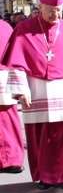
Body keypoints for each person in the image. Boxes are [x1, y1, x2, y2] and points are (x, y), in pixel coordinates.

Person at [3, 0, 63, 190]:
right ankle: (45, 176)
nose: (55, 14)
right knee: (41, 136)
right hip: (35, 88)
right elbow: (16, 62)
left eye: (58, 10)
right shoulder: (24, 29)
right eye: (51, 10)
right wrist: (20, 90)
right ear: (40, 7)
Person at [0, 19, 24, 174]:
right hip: (5, 75)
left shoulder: (4, 26)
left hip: (3, 74)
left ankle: (11, 158)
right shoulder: (5, 26)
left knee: (6, 118)